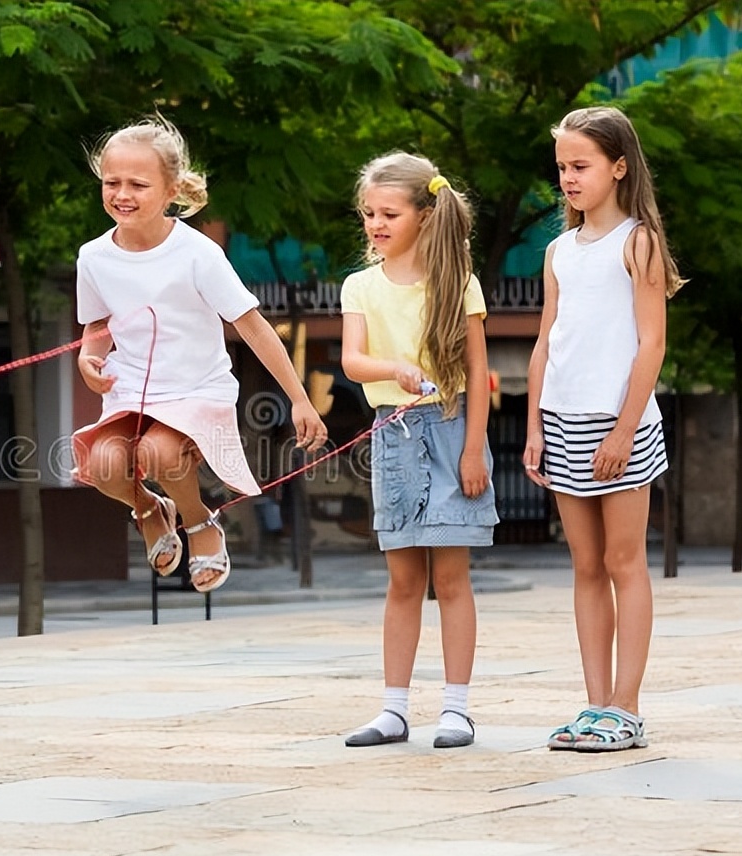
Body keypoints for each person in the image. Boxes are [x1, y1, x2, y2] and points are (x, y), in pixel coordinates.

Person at [72, 117, 328, 593]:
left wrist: (299, 398)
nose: (122, 194)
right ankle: (151, 509)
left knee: (159, 451)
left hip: (194, 387)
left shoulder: (198, 253)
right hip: (131, 388)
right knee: (103, 465)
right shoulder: (93, 257)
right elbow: (97, 327)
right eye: (111, 182)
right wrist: (89, 359)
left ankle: (197, 522)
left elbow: (251, 324)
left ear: (171, 190)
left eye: (138, 184)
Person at [526, 106, 680, 752]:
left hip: (623, 427)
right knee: (585, 566)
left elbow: (651, 345)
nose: (568, 177)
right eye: (562, 166)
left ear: (618, 168)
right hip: (563, 422)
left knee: (624, 562)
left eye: (580, 165)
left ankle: (629, 708)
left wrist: (621, 432)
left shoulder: (638, 242)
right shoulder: (558, 251)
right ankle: (595, 707)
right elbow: (544, 342)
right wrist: (534, 425)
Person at [339, 152, 498, 749]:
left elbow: (478, 371)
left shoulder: (460, 283)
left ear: (425, 216)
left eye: (388, 213)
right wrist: (396, 369)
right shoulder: (361, 285)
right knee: (403, 578)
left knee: (451, 577)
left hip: (452, 426)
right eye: (368, 214)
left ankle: (456, 708)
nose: (375, 224)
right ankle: (394, 709)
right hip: (393, 432)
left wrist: (474, 450)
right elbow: (355, 360)